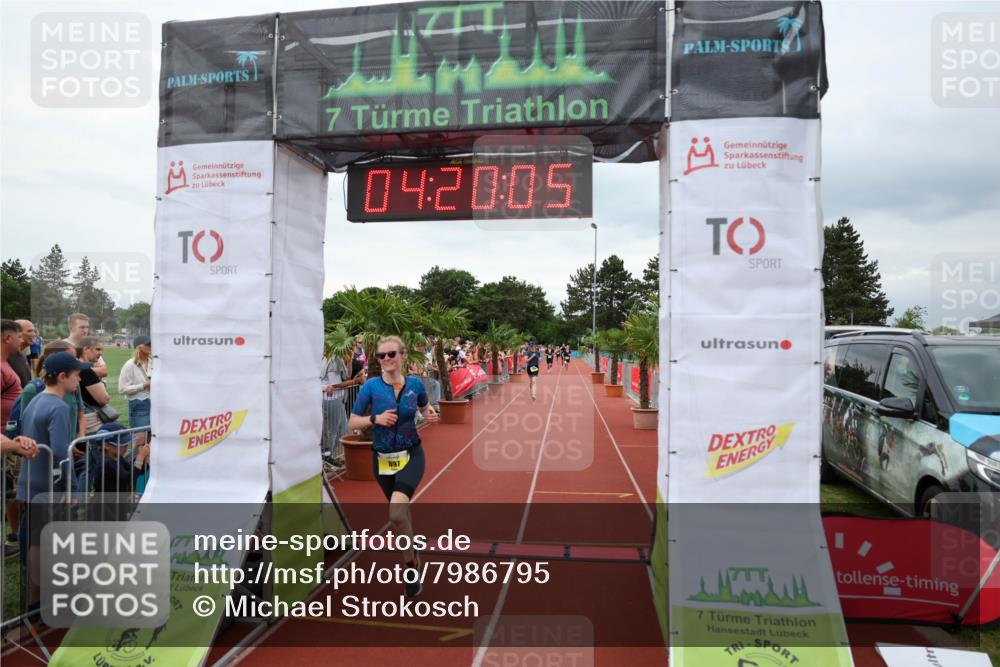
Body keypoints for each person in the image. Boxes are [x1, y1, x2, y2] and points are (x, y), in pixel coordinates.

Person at [348, 335, 438, 597]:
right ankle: (412, 551)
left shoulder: (415, 384)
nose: (386, 359)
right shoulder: (371, 387)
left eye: (391, 354)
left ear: (402, 356)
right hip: (383, 459)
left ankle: (410, 567)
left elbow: (424, 407)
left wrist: (429, 413)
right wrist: (375, 418)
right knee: (403, 514)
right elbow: (352, 422)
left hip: (411, 455)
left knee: (396, 514)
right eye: (381, 355)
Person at [17, 351, 91, 608]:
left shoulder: (37, 399)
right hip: (48, 487)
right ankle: (36, 604)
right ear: (62, 377)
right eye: (77, 375)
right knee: (40, 542)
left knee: (35, 540)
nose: (79, 380)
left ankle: (35, 601)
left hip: (31, 482)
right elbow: (62, 451)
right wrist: (70, 488)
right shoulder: (58, 407)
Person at [321, 350, 360, 468]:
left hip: (338, 399)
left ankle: (328, 456)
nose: (352, 349)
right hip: (331, 399)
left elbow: (347, 375)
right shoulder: (332, 360)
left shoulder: (338, 359)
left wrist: (349, 360)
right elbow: (334, 385)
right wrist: (355, 381)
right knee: (332, 430)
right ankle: (327, 457)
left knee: (343, 429)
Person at [119, 336, 152, 449]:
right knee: (140, 442)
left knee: (151, 440)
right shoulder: (130, 365)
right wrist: (143, 385)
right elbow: (122, 389)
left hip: (154, 403)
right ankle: (136, 465)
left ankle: (147, 466)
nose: (151, 347)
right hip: (139, 404)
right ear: (139, 347)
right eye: (148, 344)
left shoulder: (154, 362)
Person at [76, 336, 111, 435]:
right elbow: (104, 399)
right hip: (90, 421)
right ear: (85, 349)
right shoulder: (86, 370)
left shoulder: (77, 367)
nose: (101, 353)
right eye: (97, 349)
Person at [64, 313, 108, 379]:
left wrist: (81, 370)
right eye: (82, 327)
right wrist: (92, 368)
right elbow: (68, 373)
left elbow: (104, 371)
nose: (85, 331)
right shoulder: (62, 346)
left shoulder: (91, 345)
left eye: (87, 327)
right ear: (71, 328)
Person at [7, 319, 36, 387]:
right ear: (17, 333)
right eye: (29, 331)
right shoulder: (6, 357)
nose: (34, 334)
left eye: (34, 331)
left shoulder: (22, 354)